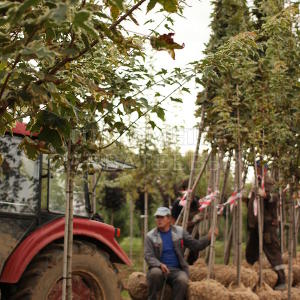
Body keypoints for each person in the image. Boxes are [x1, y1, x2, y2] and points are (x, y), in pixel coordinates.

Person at [144, 206, 217, 300]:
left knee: (182, 280)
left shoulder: (180, 232)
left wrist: (208, 238)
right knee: (154, 273)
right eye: (157, 217)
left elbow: (196, 245)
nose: (159, 220)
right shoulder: (150, 236)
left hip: (177, 270)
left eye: (162, 217)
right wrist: (159, 264)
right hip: (159, 269)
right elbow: (148, 256)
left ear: (169, 219)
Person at [246, 163, 285, 290]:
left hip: (267, 224)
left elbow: (276, 197)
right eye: (256, 168)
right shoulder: (255, 183)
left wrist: (266, 195)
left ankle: (281, 280)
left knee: (272, 251)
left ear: (265, 169)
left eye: (259, 168)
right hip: (255, 224)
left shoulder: (269, 182)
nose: (257, 170)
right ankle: (249, 278)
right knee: (251, 251)